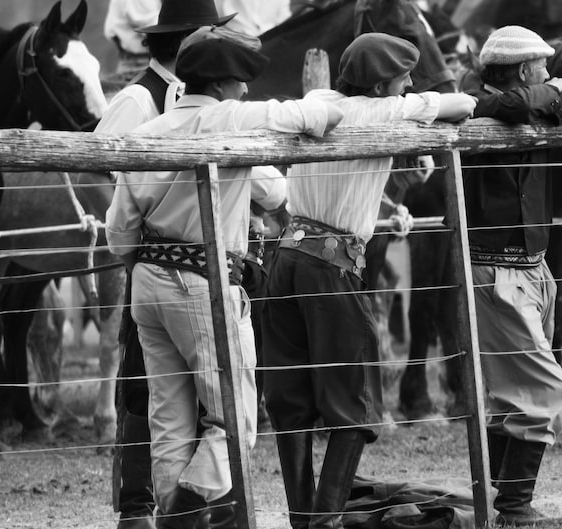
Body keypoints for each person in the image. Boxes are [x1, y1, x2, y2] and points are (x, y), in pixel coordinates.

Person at [105, 26, 343, 529]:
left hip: (148, 283)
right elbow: (282, 181)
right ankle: (184, 519)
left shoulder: (147, 133)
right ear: (220, 85)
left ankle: (175, 511)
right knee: (234, 421)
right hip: (205, 282)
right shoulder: (231, 121)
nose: (245, 91)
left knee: (169, 420)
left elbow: (119, 234)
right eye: (240, 82)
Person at [260, 33, 476, 529]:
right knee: (356, 400)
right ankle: (325, 520)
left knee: (290, 403)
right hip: (330, 266)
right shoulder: (388, 111)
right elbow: (461, 102)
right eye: (403, 77)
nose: (410, 84)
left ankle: (302, 519)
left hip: (287, 257)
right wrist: (417, 109)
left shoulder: (317, 102)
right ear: (383, 85)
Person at [97, 2, 237, 528]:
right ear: (188, 42)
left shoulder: (196, 99)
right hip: (149, 262)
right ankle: (136, 506)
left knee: (191, 391)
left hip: (192, 263)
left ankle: (199, 507)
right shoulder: (137, 100)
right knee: (144, 384)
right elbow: (104, 172)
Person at [461, 25, 562, 526]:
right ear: (524, 71)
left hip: (534, 268)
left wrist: (553, 93)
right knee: (545, 391)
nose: (552, 75)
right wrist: (551, 94)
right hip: (494, 270)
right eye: (543, 69)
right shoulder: (475, 102)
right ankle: (515, 510)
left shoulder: (529, 96)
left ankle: (506, 503)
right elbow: (510, 108)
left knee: (510, 394)